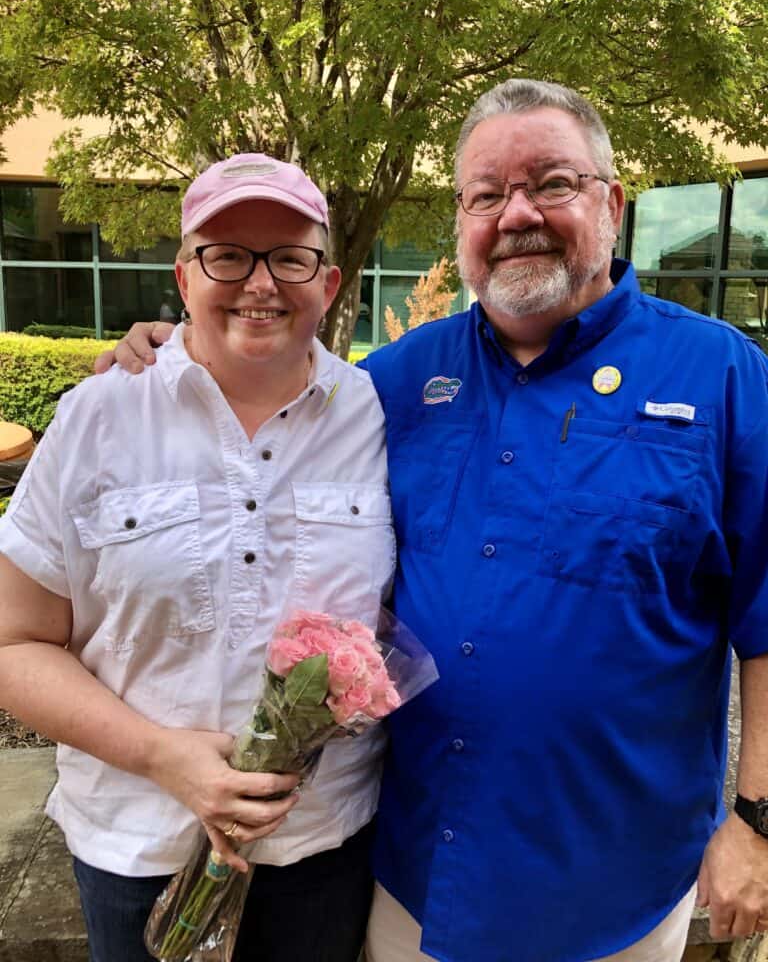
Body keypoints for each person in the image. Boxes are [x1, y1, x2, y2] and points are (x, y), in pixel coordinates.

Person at [97, 79, 768, 962]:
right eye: (486, 195)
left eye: (551, 183)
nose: (516, 213)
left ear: (610, 202)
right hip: (416, 874)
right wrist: (175, 348)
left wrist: (754, 822)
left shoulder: (721, 374)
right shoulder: (398, 380)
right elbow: (271, 398)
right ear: (462, 223)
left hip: (615, 884)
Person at [0, 153, 396, 962]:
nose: (261, 283)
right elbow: (13, 643)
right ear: (185, 278)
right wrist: (161, 755)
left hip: (321, 849)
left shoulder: (375, 413)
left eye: (290, 257)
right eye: (228, 255)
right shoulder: (100, 416)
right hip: (136, 847)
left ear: (329, 282)